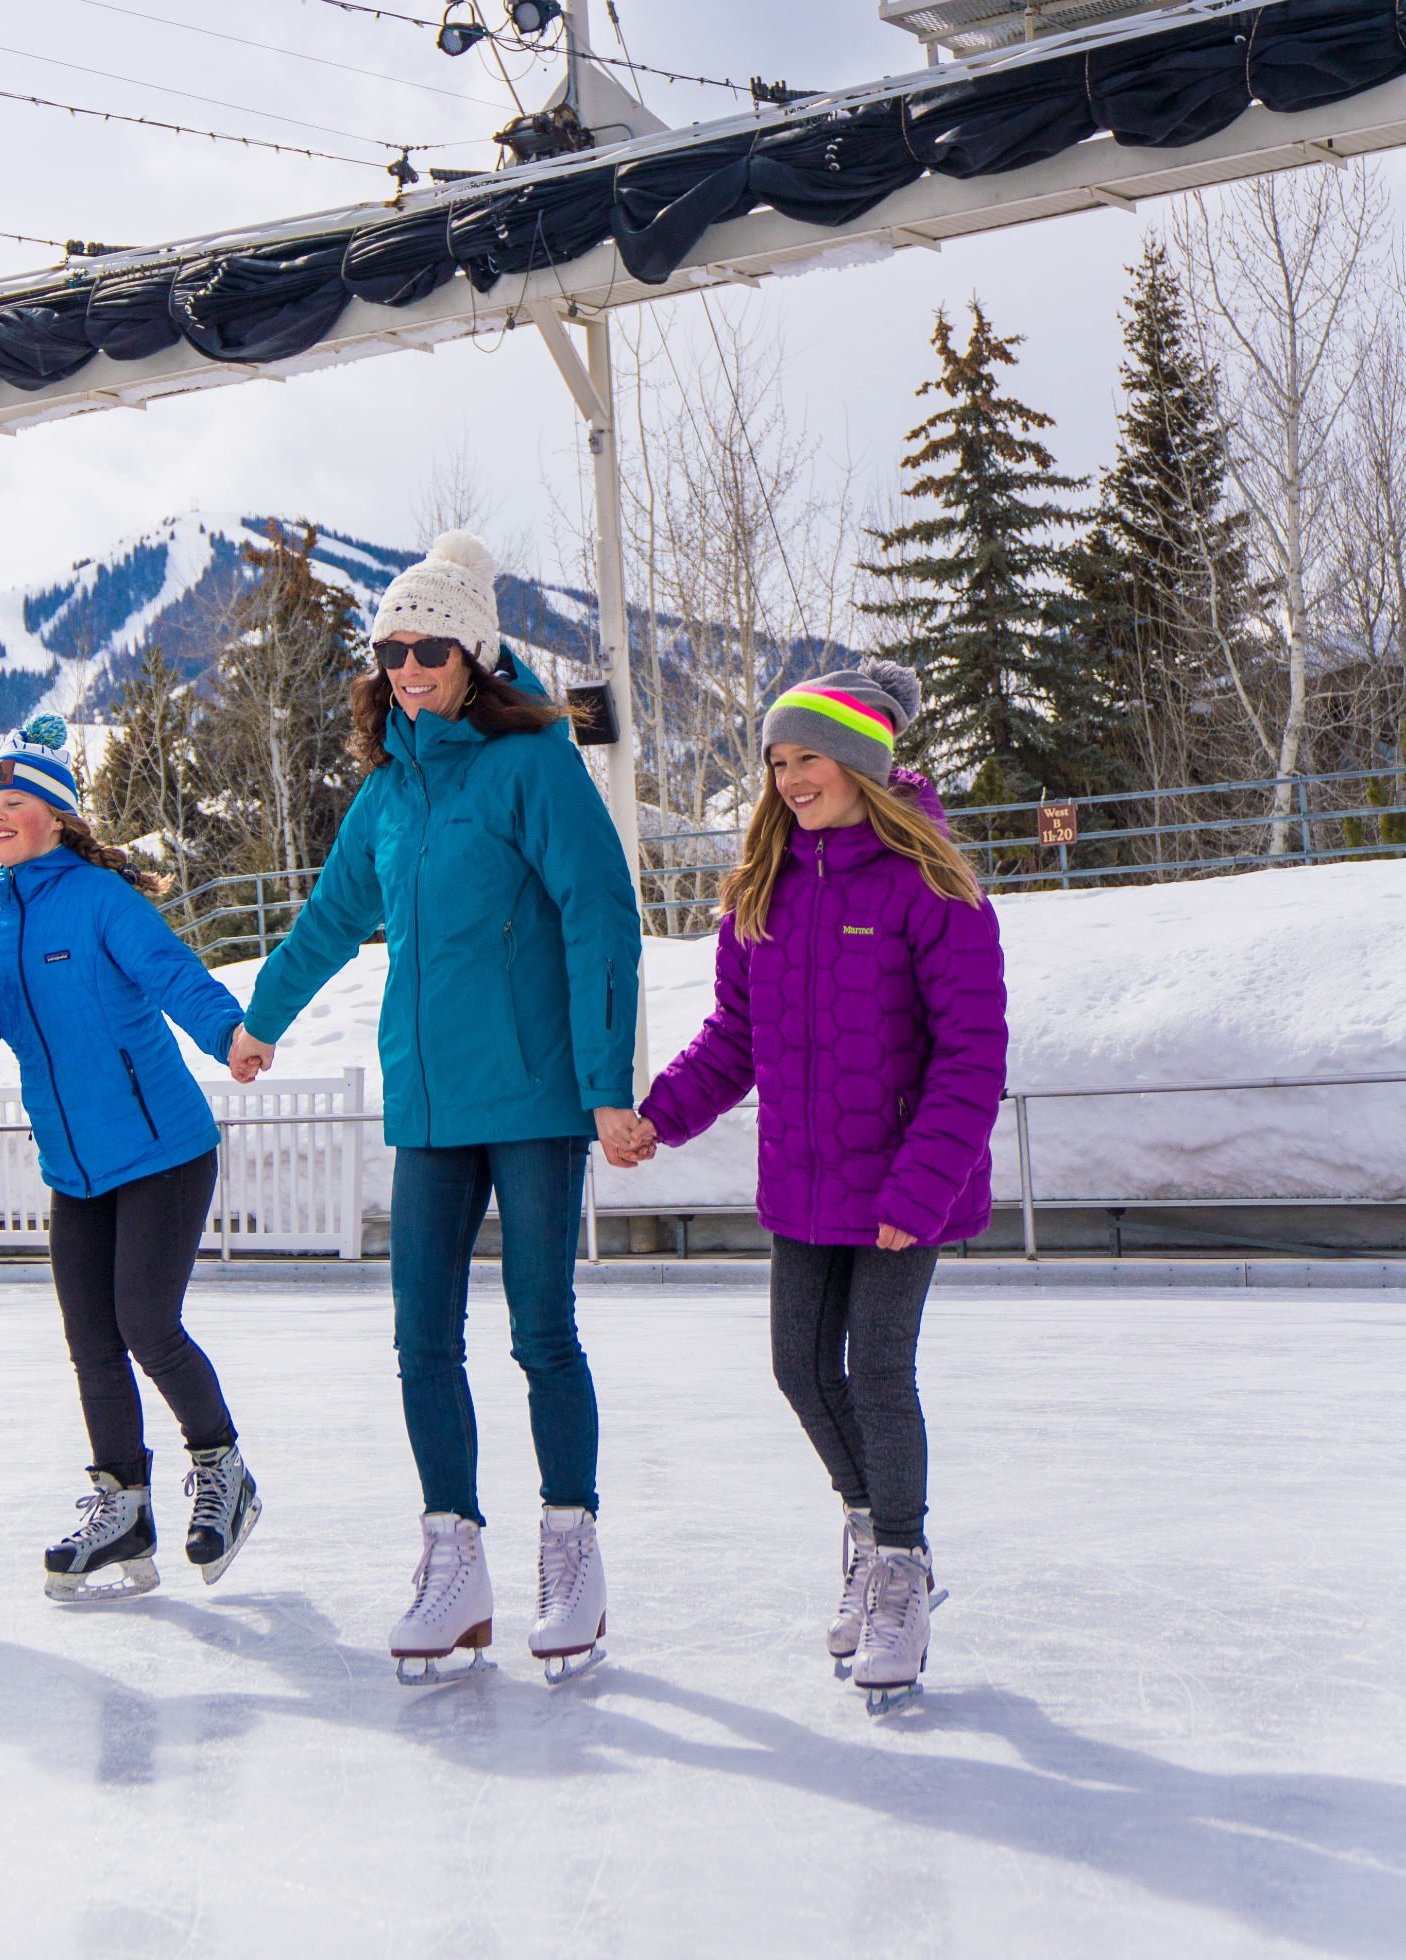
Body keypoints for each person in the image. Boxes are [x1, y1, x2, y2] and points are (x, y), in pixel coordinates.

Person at [235, 531, 642, 1687]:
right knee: (420, 1339)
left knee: (538, 1330)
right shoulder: (386, 795)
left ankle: (569, 1550)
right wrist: (261, 1019)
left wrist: (606, 1086)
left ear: (474, 656)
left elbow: (599, 915)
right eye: (391, 651)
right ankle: (452, 1557)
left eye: (429, 649)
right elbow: (328, 917)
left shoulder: (532, 767)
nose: (408, 668)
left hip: (531, 1096)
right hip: (427, 1103)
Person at [598, 660, 1005, 1710]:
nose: (786, 780)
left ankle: (901, 1570)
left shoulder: (934, 888)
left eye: (806, 758)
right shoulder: (762, 892)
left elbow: (971, 1059)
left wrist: (917, 1190)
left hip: (905, 1187)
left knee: (878, 1371)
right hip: (806, 1180)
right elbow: (733, 1039)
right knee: (798, 1368)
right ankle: (871, 1532)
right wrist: (659, 1115)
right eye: (776, 762)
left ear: (860, 763)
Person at [0, 719, 272, 1603]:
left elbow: (172, 974)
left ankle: (223, 1470)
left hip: (163, 1150)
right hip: (75, 1170)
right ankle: (122, 1508)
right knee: (91, 1340)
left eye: (16, 802)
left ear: (56, 817)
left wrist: (229, 1034)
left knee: (146, 1324)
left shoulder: (99, 900)